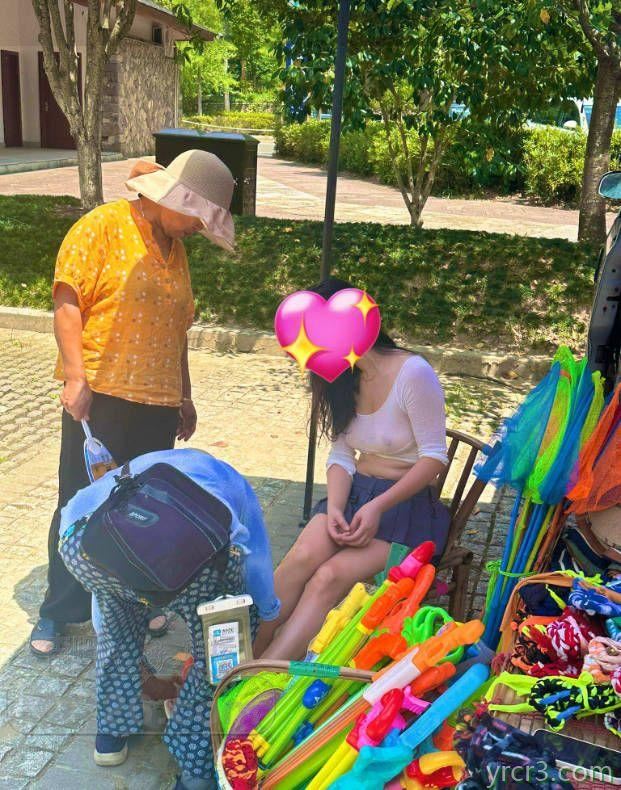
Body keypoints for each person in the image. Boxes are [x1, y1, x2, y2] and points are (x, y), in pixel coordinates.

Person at [30, 150, 236, 656]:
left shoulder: (176, 249)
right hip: (103, 395)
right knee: (83, 503)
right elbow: (67, 302)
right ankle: (61, 608)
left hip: (158, 402)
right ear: (173, 198)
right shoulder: (102, 226)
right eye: (197, 217)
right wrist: (76, 377)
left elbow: (177, 328)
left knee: (145, 509)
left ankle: (134, 602)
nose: (198, 229)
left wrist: (184, 394)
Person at [254, 278, 451, 661]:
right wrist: (333, 508)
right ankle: (249, 651)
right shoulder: (341, 377)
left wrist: (377, 507)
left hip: (405, 509)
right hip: (354, 494)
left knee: (328, 577)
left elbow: (434, 458)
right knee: (301, 557)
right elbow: (342, 454)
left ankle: (265, 671)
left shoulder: (413, 373)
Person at [59, 448, 280, 788]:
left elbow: (108, 619)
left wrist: (134, 665)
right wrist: (266, 616)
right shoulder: (235, 485)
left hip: (80, 542)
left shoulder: (140, 469)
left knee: (118, 613)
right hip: (189, 555)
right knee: (220, 650)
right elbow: (256, 562)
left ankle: (111, 736)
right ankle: (195, 771)